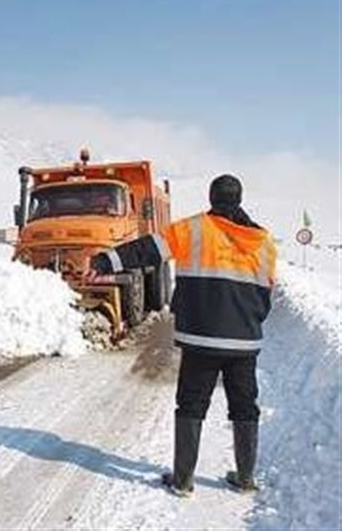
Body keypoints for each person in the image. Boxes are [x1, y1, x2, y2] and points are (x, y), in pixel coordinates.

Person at [86, 174, 276, 497]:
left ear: (212, 198)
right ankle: (245, 479)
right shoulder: (263, 241)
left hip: (201, 339)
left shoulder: (194, 229)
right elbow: (265, 293)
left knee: (191, 405)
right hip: (244, 342)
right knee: (245, 407)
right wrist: (249, 321)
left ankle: (183, 481)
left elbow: (146, 250)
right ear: (239, 199)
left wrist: (105, 261)